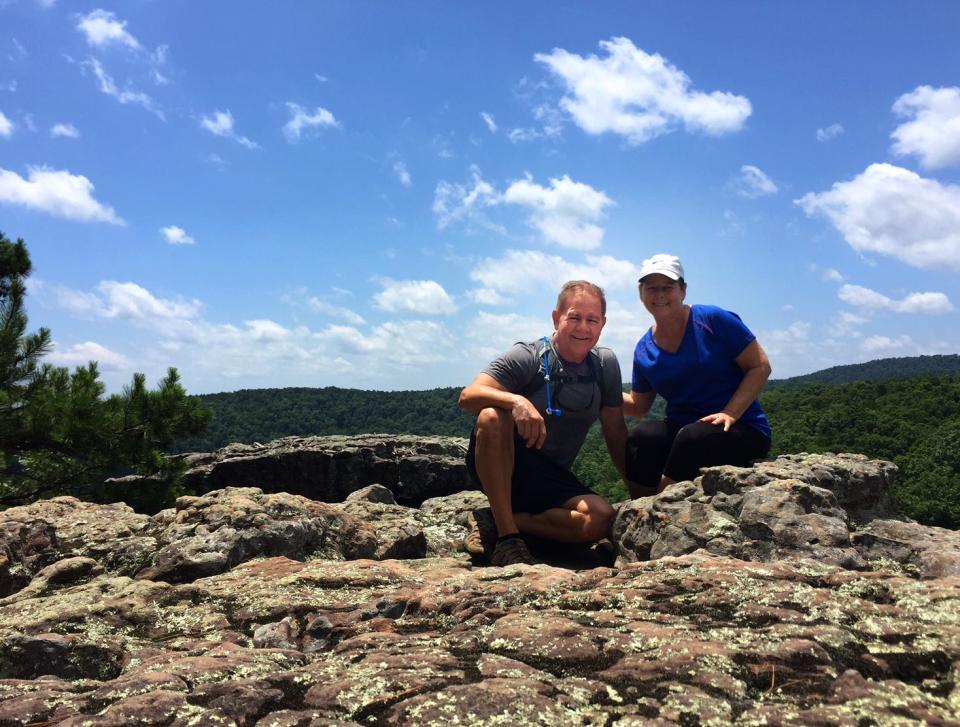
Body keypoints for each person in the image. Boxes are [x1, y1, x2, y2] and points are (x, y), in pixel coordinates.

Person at [458, 280, 629, 566]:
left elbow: (615, 430)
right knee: (491, 415)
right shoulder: (528, 356)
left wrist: (636, 493)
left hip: (551, 476)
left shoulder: (604, 364)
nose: (583, 327)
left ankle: (495, 519)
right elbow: (468, 396)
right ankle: (507, 540)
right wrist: (517, 402)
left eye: (592, 320)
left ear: (603, 324)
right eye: (574, 317)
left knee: (599, 519)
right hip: (506, 464)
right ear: (556, 318)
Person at [623, 254, 772, 497]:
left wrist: (730, 413)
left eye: (668, 287)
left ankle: (659, 511)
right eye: (651, 288)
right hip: (684, 429)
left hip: (741, 427)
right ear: (641, 293)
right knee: (643, 438)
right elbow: (639, 406)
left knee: (693, 437)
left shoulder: (712, 320)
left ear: (683, 290)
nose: (659, 294)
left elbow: (759, 366)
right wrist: (598, 387)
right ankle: (637, 509)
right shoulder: (643, 349)